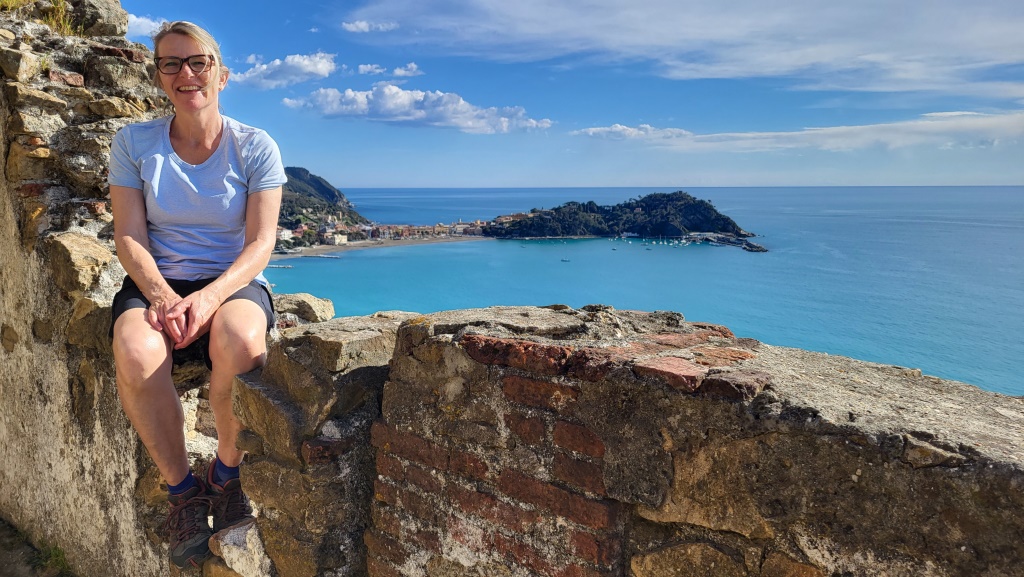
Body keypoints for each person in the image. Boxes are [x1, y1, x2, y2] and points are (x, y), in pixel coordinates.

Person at [107, 21, 285, 569]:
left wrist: (209, 299)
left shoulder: (255, 146)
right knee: (135, 351)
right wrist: (162, 298)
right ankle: (184, 493)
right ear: (159, 76)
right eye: (171, 63)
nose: (186, 73)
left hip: (231, 281)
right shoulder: (134, 143)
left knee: (242, 341)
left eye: (198, 62)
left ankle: (227, 475)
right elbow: (128, 236)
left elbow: (261, 243)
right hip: (157, 282)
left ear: (221, 75)